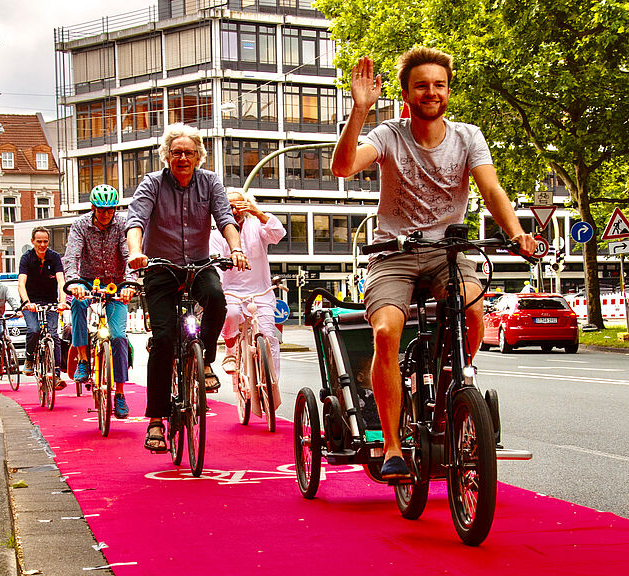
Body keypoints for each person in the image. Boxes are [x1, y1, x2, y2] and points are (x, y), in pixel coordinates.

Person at [330, 48, 536, 478]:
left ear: (448, 91)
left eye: (439, 85)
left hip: (449, 253)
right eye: (422, 85)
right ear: (406, 93)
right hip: (393, 253)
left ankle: (449, 392)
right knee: (386, 332)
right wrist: (359, 110)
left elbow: (492, 190)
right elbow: (343, 167)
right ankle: (390, 446)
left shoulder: (467, 136)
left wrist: (516, 232)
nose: (431, 92)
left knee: (475, 313)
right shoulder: (388, 133)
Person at [126, 123, 249, 452]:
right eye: (176, 152)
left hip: (197, 265)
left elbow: (225, 218)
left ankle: (204, 359)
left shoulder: (210, 182)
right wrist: (136, 252)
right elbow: (135, 220)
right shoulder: (152, 183)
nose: (182, 158)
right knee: (164, 339)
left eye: (189, 152)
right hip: (160, 269)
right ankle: (155, 420)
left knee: (217, 299)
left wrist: (235, 249)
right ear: (166, 155)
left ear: (199, 156)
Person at [63, 184, 137, 420]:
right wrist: (73, 283)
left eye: (110, 209)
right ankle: (84, 360)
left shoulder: (123, 224)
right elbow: (72, 256)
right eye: (101, 209)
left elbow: (129, 255)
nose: (106, 214)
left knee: (118, 336)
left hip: (117, 282)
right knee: (77, 304)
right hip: (87, 280)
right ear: (93, 208)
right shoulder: (80, 225)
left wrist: (131, 283)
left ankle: (120, 393)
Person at [209, 192, 286, 386]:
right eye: (230, 207)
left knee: (269, 337)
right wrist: (216, 283)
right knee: (231, 313)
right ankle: (230, 351)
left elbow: (278, 233)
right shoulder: (218, 232)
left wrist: (257, 212)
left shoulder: (256, 225)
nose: (235, 211)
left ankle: (272, 382)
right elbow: (214, 262)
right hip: (232, 292)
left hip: (261, 292)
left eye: (239, 206)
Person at [18, 226, 67, 379]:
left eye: (45, 241)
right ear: (32, 241)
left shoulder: (54, 257)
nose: (42, 245)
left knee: (54, 335)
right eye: (39, 241)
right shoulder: (26, 258)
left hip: (50, 301)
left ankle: (56, 375)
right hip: (30, 302)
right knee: (34, 330)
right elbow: (21, 284)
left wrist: (62, 301)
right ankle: (30, 357)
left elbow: (61, 281)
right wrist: (26, 302)